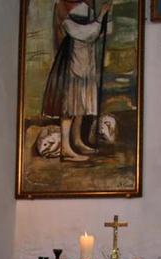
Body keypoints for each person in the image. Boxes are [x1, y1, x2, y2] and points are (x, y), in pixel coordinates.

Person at [42, 0, 113, 161]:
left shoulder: (87, 5)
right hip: (72, 59)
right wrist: (101, 16)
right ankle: (66, 149)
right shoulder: (61, 5)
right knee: (70, 104)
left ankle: (77, 140)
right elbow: (82, 32)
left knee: (81, 103)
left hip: (87, 59)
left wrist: (106, 17)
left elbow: (101, 32)